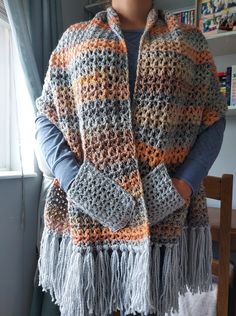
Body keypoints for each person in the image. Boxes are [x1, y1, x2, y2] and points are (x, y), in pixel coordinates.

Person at [35, 1, 227, 315]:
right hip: (88, 208)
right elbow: (46, 117)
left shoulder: (189, 42)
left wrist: (184, 185)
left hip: (162, 208)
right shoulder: (75, 39)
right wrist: (73, 180)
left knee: (151, 306)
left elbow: (213, 119)